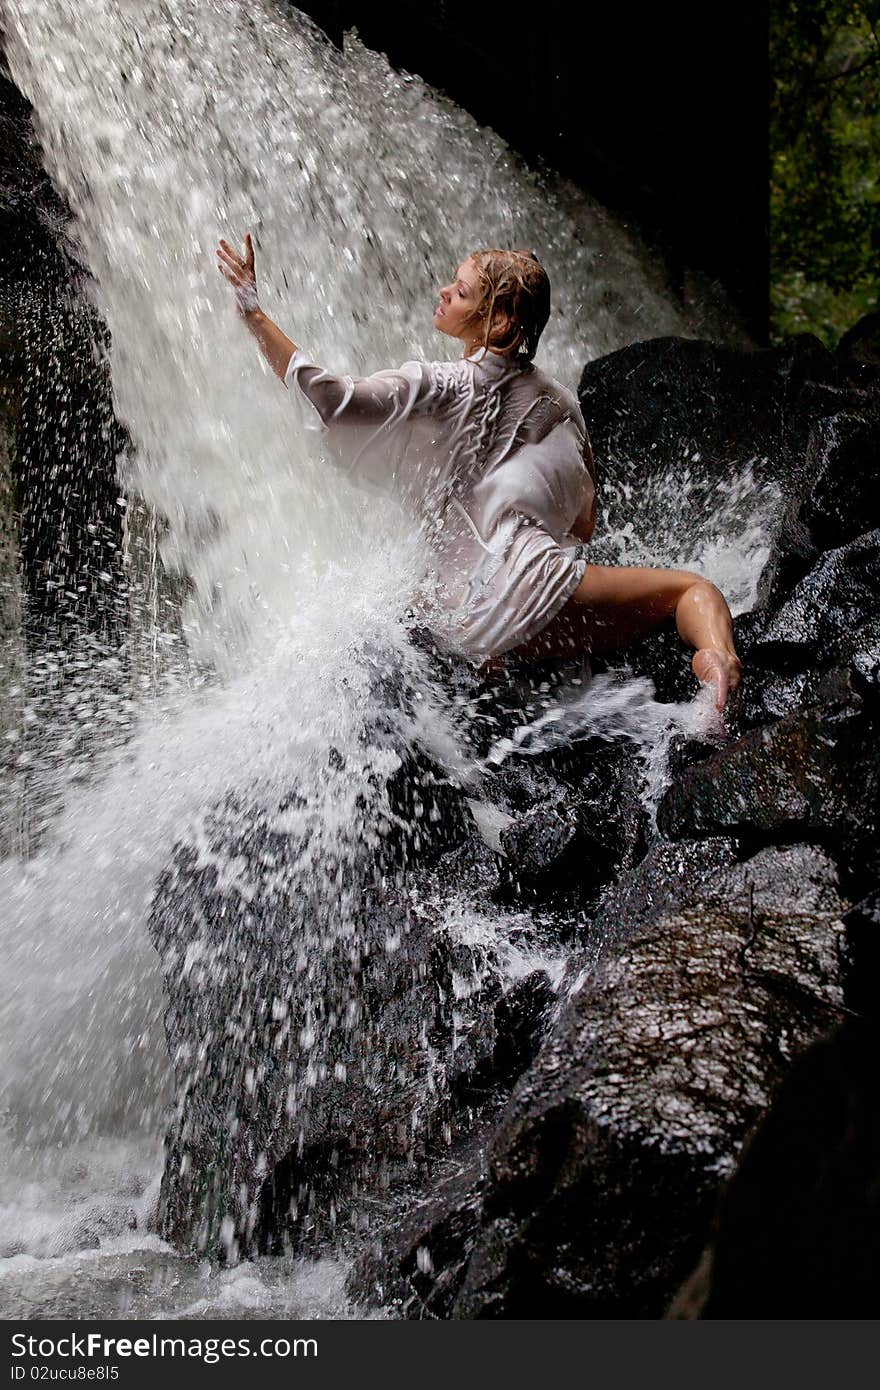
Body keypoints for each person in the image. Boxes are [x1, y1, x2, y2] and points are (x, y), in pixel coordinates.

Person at [216, 234, 742, 711]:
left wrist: (252, 311)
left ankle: (493, 673)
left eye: (462, 292)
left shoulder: (436, 384)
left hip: (455, 616)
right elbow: (584, 524)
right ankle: (717, 666)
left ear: (500, 323)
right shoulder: (560, 406)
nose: (444, 292)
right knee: (692, 590)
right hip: (537, 595)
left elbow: (331, 396)